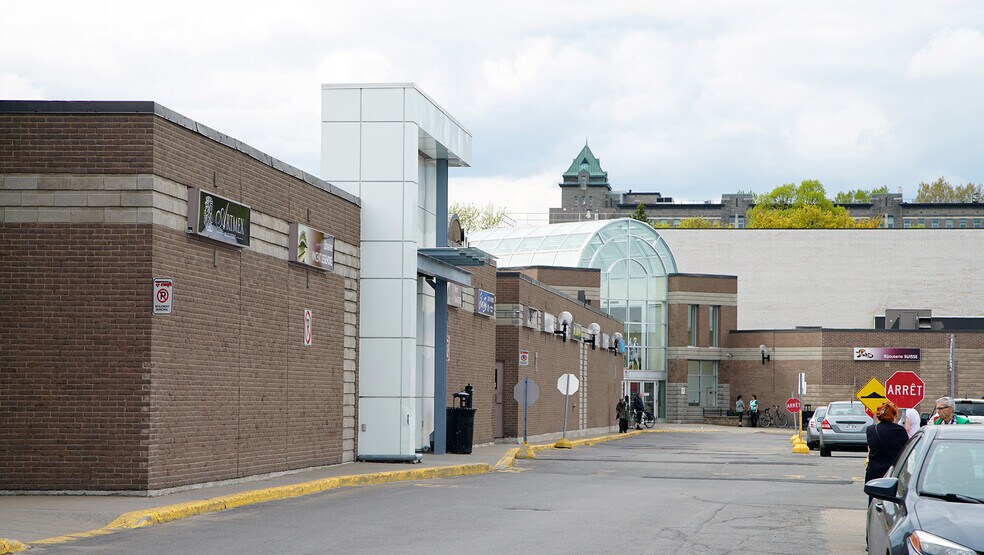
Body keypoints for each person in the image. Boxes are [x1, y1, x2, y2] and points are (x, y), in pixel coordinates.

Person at [865, 402, 909, 484]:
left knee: (874, 494)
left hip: (874, 472)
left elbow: (870, 448)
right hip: (893, 471)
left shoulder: (871, 430)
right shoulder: (900, 430)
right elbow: (905, 450)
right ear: (893, 415)